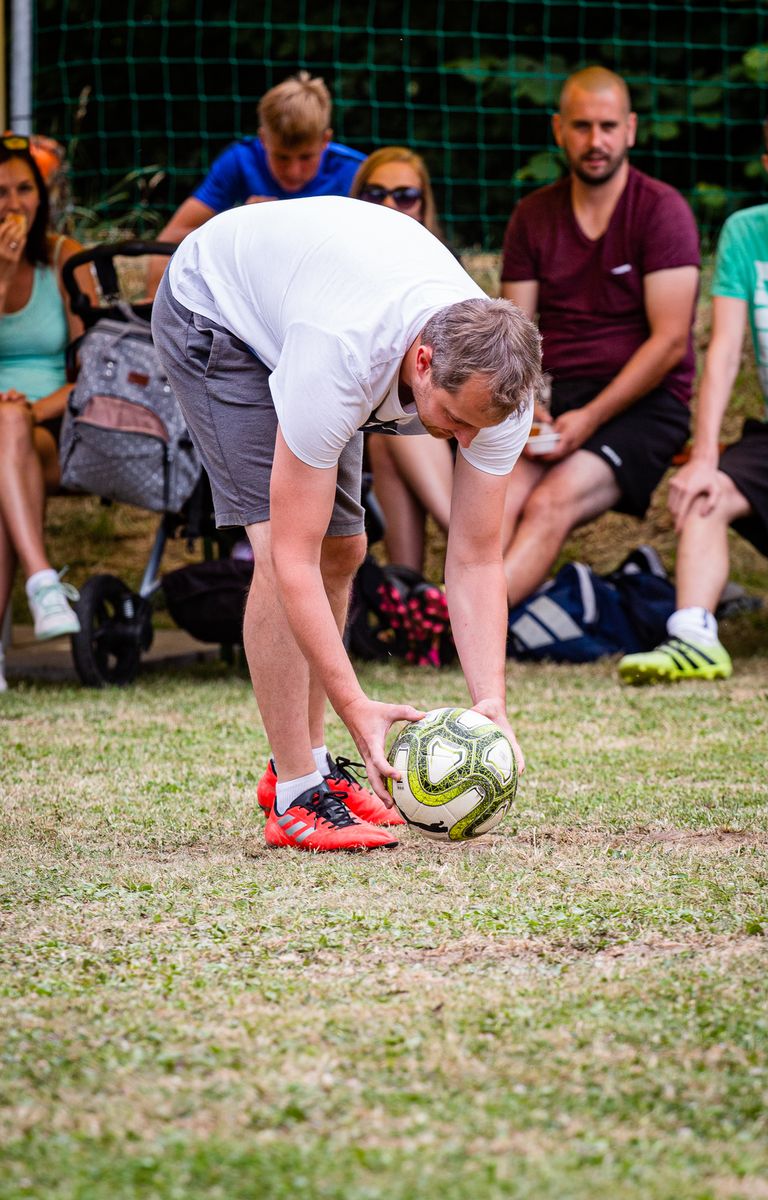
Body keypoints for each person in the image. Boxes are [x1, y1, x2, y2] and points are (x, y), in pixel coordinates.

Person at [152, 196, 542, 852]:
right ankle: (295, 794)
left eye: (481, 427)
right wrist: (355, 703)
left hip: (319, 297)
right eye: (454, 420)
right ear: (423, 363)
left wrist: (490, 699)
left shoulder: (501, 394)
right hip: (217, 307)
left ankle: (314, 768)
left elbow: (476, 557)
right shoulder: (342, 356)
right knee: (281, 549)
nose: (467, 443)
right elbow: (290, 560)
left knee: (343, 550)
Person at [499, 66, 700, 609]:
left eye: (608, 126)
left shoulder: (662, 211)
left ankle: (443, 629)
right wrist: (531, 407)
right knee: (498, 499)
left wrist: (588, 419)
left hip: (645, 406)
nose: (596, 141)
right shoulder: (532, 216)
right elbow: (516, 335)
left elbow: (669, 344)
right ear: (558, 129)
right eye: (582, 126)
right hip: (557, 399)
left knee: (551, 503)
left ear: (630, 129)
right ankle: (458, 619)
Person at [619, 93, 768, 684]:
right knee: (703, 493)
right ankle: (693, 638)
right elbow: (721, 351)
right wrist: (702, 456)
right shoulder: (747, 232)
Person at [0, 134, 93, 689]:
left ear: (41, 195)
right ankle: (43, 584)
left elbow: (92, 371)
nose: (13, 204)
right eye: (0, 192)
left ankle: (39, 582)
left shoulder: (62, 259)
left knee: (8, 422)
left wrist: (28, 411)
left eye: (24, 189)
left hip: (53, 430)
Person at [351, 147, 454, 571]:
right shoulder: (341, 265)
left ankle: (410, 583)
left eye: (405, 195)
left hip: (436, 414)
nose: (391, 205)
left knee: (400, 427)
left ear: (424, 205)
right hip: (355, 417)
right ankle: (462, 548)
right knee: (392, 431)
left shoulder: (444, 268)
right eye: (376, 194)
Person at [157, 71, 364, 246]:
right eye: (282, 157)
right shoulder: (240, 161)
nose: (293, 171)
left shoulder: (356, 171)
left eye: (306, 157)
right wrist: (238, 222)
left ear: (325, 140)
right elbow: (167, 241)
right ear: (263, 139)